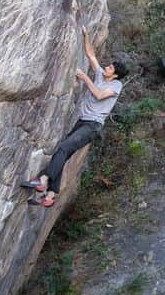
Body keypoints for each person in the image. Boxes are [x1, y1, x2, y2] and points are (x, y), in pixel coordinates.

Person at [21, 27, 127, 207]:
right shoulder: (101, 75)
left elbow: (100, 95)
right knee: (63, 152)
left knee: (63, 147)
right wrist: (86, 36)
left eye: (110, 67)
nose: (106, 67)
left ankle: (44, 180)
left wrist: (86, 78)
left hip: (92, 126)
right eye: (108, 66)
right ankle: (51, 195)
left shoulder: (117, 85)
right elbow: (90, 54)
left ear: (115, 74)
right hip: (82, 122)